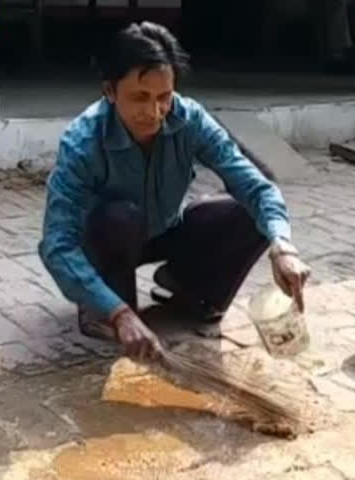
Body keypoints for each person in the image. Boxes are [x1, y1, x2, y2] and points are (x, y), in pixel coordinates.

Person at [39, 22, 311, 359]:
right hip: (109, 239)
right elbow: (56, 245)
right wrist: (118, 313)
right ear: (110, 91)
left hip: (167, 227)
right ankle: (104, 305)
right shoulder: (82, 142)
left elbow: (254, 185)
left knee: (248, 211)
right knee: (119, 217)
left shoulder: (189, 119)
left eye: (164, 97)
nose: (154, 113)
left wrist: (282, 246)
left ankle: (187, 289)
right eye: (140, 97)